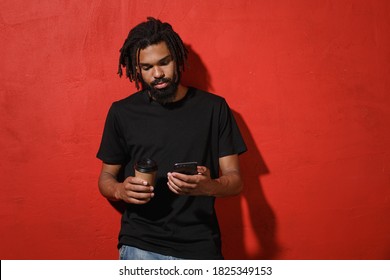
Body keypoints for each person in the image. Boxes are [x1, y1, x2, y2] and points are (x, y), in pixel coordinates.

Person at [96, 17, 247, 260]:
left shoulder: (214, 108)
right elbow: (105, 178)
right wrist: (121, 190)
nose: (157, 74)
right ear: (136, 70)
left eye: (164, 62)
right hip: (141, 246)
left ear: (176, 58)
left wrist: (209, 186)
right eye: (147, 68)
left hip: (200, 247)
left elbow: (236, 180)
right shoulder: (121, 112)